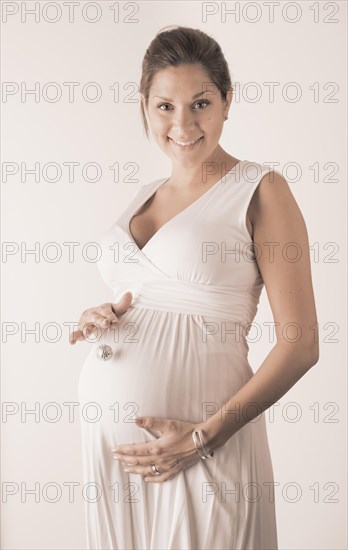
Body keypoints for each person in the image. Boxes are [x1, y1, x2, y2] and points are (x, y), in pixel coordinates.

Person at [71, 25, 319, 550]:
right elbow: (152, 296)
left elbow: (301, 344)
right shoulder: (142, 195)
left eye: (200, 103)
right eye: (165, 106)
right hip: (116, 464)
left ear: (228, 101)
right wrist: (105, 315)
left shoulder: (260, 189)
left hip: (206, 448)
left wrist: (202, 439)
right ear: (144, 106)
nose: (182, 124)